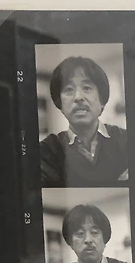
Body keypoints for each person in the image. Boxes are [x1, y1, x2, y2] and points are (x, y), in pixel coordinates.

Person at [40, 55, 129, 186]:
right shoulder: (47, 151)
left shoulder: (127, 141)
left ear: (102, 100)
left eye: (87, 88)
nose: (78, 97)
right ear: (60, 104)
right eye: (69, 89)